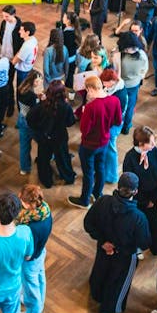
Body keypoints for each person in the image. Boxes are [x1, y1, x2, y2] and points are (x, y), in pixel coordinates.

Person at [84, 172, 150, 313]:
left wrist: (103, 242)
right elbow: (144, 243)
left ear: (118, 187)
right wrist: (118, 247)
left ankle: (96, 294)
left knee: (100, 270)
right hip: (125, 255)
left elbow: (88, 224)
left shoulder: (102, 201)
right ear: (136, 191)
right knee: (118, 282)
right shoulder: (139, 218)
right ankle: (111, 308)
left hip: (103, 248)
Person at [68, 75, 123, 209]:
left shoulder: (91, 107)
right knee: (100, 168)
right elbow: (118, 121)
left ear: (91, 89)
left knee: (88, 173)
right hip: (104, 141)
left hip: (89, 145)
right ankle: (97, 193)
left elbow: (84, 130)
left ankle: (84, 200)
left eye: (87, 90)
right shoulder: (114, 100)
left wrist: (83, 112)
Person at [122, 126, 157, 254]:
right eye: (151, 142)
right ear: (141, 144)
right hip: (139, 202)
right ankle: (138, 248)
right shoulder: (129, 158)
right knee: (139, 227)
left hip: (153, 198)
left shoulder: (154, 152)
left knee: (156, 225)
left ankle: (156, 248)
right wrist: (145, 202)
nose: (154, 145)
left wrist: (154, 198)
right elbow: (131, 185)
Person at [26, 79, 76, 188]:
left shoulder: (43, 104)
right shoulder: (65, 106)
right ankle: (68, 177)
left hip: (45, 137)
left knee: (43, 159)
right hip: (60, 137)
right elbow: (70, 122)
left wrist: (38, 128)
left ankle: (46, 181)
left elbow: (29, 117)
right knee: (63, 158)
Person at [17, 184, 52, 313]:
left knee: (31, 289)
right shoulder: (45, 211)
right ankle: (39, 304)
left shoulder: (29, 226)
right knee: (40, 279)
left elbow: (26, 252)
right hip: (41, 251)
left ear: (29, 204)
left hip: (30, 260)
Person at [99, 68, 127, 185]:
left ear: (112, 81)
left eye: (104, 82)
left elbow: (116, 116)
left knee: (111, 149)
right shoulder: (115, 88)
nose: (103, 84)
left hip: (113, 125)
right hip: (111, 123)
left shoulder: (118, 95)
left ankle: (111, 176)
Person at [117, 32, 148, 134]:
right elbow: (144, 70)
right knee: (130, 106)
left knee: (121, 106)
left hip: (122, 84)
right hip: (134, 84)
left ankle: (118, 125)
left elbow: (116, 70)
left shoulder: (122, 57)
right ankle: (126, 127)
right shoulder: (142, 55)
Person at [15, 70, 43, 177]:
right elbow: (36, 110)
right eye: (37, 80)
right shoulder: (32, 96)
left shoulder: (20, 88)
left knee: (24, 145)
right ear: (32, 81)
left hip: (22, 117)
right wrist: (40, 100)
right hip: (31, 123)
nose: (39, 82)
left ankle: (24, 168)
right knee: (42, 141)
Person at [0, 6, 23, 115]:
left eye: (6, 16)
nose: (4, 18)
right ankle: (9, 103)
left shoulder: (20, 26)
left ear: (13, 15)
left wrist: (16, 57)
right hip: (3, 57)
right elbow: (1, 37)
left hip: (13, 59)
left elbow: (22, 44)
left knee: (11, 81)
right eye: (3, 16)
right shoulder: (3, 23)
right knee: (7, 82)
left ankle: (12, 106)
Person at [12, 22, 38, 88]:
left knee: (21, 90)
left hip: (23, 72)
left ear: (27, 32)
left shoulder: (27, 46)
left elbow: (14, 61)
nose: (19, 31)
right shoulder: (33, 39)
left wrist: (18, 53)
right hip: (29, 68)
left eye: (21, 30)